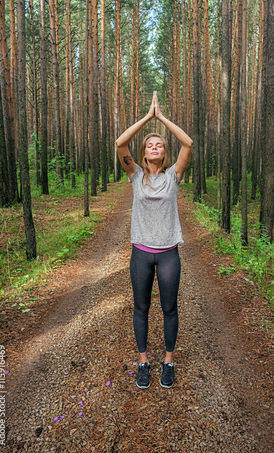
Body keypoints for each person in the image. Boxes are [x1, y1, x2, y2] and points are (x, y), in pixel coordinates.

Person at [116, 91, 193, 389]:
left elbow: (187, 143)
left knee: (170, 308)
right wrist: (147, 118)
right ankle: (144, 361)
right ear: (144, 153)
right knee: (141, 308)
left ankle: (169, 361)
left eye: (159, 144)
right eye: (150, 144)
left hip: (169, 254)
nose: (155, 146)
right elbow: (120, 144)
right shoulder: (135, 175)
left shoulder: (175, 175)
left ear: (164, 152)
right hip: (141, 255)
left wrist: (161, 119)